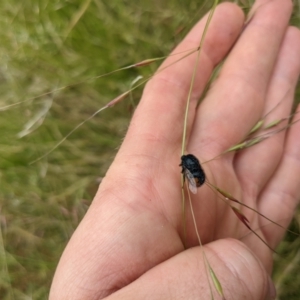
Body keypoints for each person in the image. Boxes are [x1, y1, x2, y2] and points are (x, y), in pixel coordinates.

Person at [49, 0, 300, 299]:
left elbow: (193, 172)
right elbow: (192, 170)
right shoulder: (189, 165)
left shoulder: (190, 166)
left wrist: (236, 273)